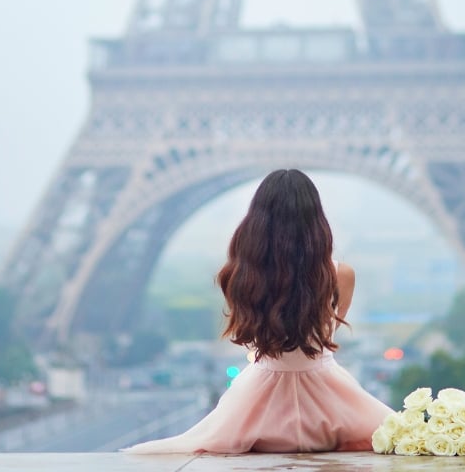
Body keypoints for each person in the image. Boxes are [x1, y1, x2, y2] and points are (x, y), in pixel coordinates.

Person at [123, 169, 392, 453]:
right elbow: (328, 332)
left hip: (257, 408)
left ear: (258, 221)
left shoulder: (237, 276)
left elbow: (251, 330)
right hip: (331, 405)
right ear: (316, 220)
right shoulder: (341, 275)